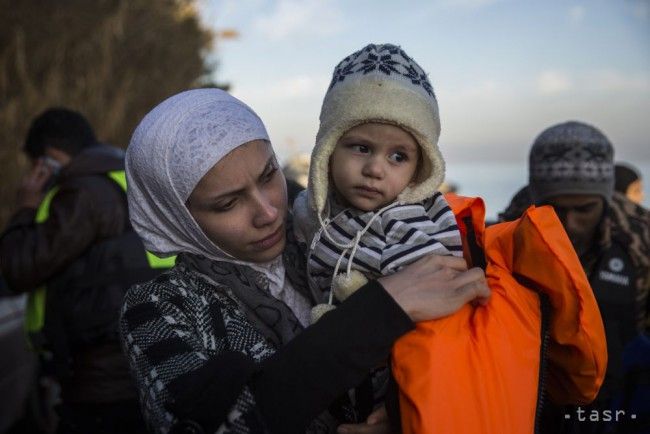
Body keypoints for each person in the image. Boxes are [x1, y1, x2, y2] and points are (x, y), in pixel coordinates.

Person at [119, 88, 490, 434]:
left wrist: (404, 411)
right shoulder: (158, 308)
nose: (267, 212)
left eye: (268, 176)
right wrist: (377, 312)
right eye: (227, 203)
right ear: (176, 218)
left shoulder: (333, 241)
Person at [0, 108, 161, 433]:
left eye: (35, 166)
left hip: (101, 380)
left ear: (48, 158)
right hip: (145, 361)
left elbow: (18, 268)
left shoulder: (82, 194)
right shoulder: (127, 180)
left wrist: (25, 208)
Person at [292, 43, 462, 321]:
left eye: (398, 156)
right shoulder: (307, 209)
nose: (374, 169)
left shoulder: (406, 227)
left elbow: (442, 294)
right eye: (361, 148)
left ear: (419, 168)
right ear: (328, 149)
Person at [501, 121, 650, 433]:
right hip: (533, 403)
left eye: (584, 209)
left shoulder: (641, 239)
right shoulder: (504, 236)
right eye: (553, 209)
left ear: (606, 199)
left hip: (622, 404)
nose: (568, 224)